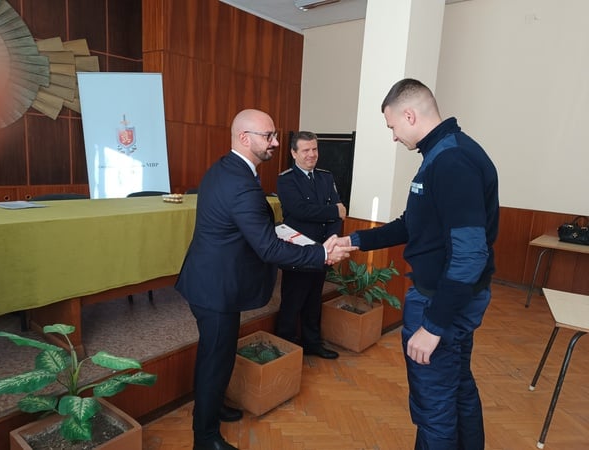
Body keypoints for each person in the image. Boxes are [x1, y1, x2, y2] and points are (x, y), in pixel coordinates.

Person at [334, 78, 499, 450]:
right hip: (451, 297)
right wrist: (354, 241)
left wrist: (434, 325)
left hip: (441, 301)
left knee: (434, 411)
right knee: (458, 388)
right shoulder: (443, 153)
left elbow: (470, 253)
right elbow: (414, 224)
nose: (393, 136)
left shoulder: (452, 161)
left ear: (409, 114)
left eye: (392, 126)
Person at [175, 109, 354, 450]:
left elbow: (253, 230)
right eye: (268, 136)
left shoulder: (226, 167)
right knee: (216, 358)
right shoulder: (241, 183)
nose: (275, 142)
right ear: (244, 138)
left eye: (274, 135)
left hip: (212, 279)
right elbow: (269, 248)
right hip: (216, 286)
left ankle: (210, 407)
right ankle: (205, 437)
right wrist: (320, 254)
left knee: (217, 355)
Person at [275, 131, 346, 359]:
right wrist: (334, 210)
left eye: (314, 149)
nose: (311, 154)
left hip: (323, 249)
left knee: (314, 299)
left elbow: (338, 216)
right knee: (293, 301)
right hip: (299, 251)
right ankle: (285, 350)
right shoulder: (286, 180)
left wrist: (332, 241)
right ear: (293, 153)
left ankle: (312, 343)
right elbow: (300, 211)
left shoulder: (325, 177)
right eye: (306, 150)